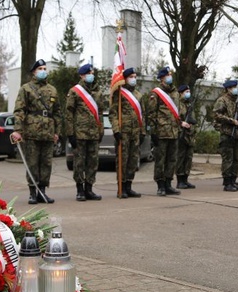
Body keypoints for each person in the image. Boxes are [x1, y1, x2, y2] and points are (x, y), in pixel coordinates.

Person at [11, 59, 63, 205]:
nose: (43, 71)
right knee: (32, 163)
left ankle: (43, 192)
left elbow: (58, 112)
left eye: (45, 68)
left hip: (48, 132)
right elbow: (19, 110)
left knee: (46, 163)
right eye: (40, 68)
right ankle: (33, 193)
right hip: (32, 131)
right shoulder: (26, 88)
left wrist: (57, 131)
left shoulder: (52, 89)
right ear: (34, 71)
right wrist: (17, 130)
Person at [65, 63, 103, 201]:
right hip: (80, 134)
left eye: (92, 72)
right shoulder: (75, 91)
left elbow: (100, 113)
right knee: (79, 163)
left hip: (94, 134)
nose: (91, 75)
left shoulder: (97, 92)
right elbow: (69, 113)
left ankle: (89, 189)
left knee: (93, 162)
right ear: (81, 75)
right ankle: (80, 190)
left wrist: (101, 131)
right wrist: (70, 134)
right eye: (88, 73)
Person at [109, 67, 145, 198]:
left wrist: (143, 132)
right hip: (123, 132)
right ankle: (121, 187)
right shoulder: (118, 94)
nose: (134, 79)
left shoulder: (138, 96)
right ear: (125, 79)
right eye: (131, 77)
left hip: (135, 133)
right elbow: (113, 114)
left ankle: (129, 185)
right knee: (122, 160)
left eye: (135, 77)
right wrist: (116, 130)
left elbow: (142, 115)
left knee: (133, 160)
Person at [147, 66, 182, 196]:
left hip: (173, 131)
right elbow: (151, 114)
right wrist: (153, 132)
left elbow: (178, 112)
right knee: (160, 160)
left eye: (170, 75)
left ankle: (168, 183)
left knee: (172, 159)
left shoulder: (175, 92)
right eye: (168, 75)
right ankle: (160, 185)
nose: (170, 77)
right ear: (162, 78)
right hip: (161, 132)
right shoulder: (156, 93)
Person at [213, 79, 238, 192]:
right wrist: (231, 121)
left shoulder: (235, 102)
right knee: (228, 159)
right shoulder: (222, 100)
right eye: (233, 87)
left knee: (236, 159)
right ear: (228, 89)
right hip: (227, 134)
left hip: (236, 134)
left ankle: (233, 181)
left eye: (236, 87)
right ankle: (227, 183)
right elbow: (217, 115)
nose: (236, 89)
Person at [175, 84, 197, 189]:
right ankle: (180, 180)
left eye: (189, 91)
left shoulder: (189, 105)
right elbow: (174, 117)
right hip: (181, 133)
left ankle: (185, 179)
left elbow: (193, 119)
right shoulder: (177, 103)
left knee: (188, 158)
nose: (188, 93)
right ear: (181, 93)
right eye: (186, 92)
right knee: (181, 157)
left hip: (190, 134)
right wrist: (181, 123)